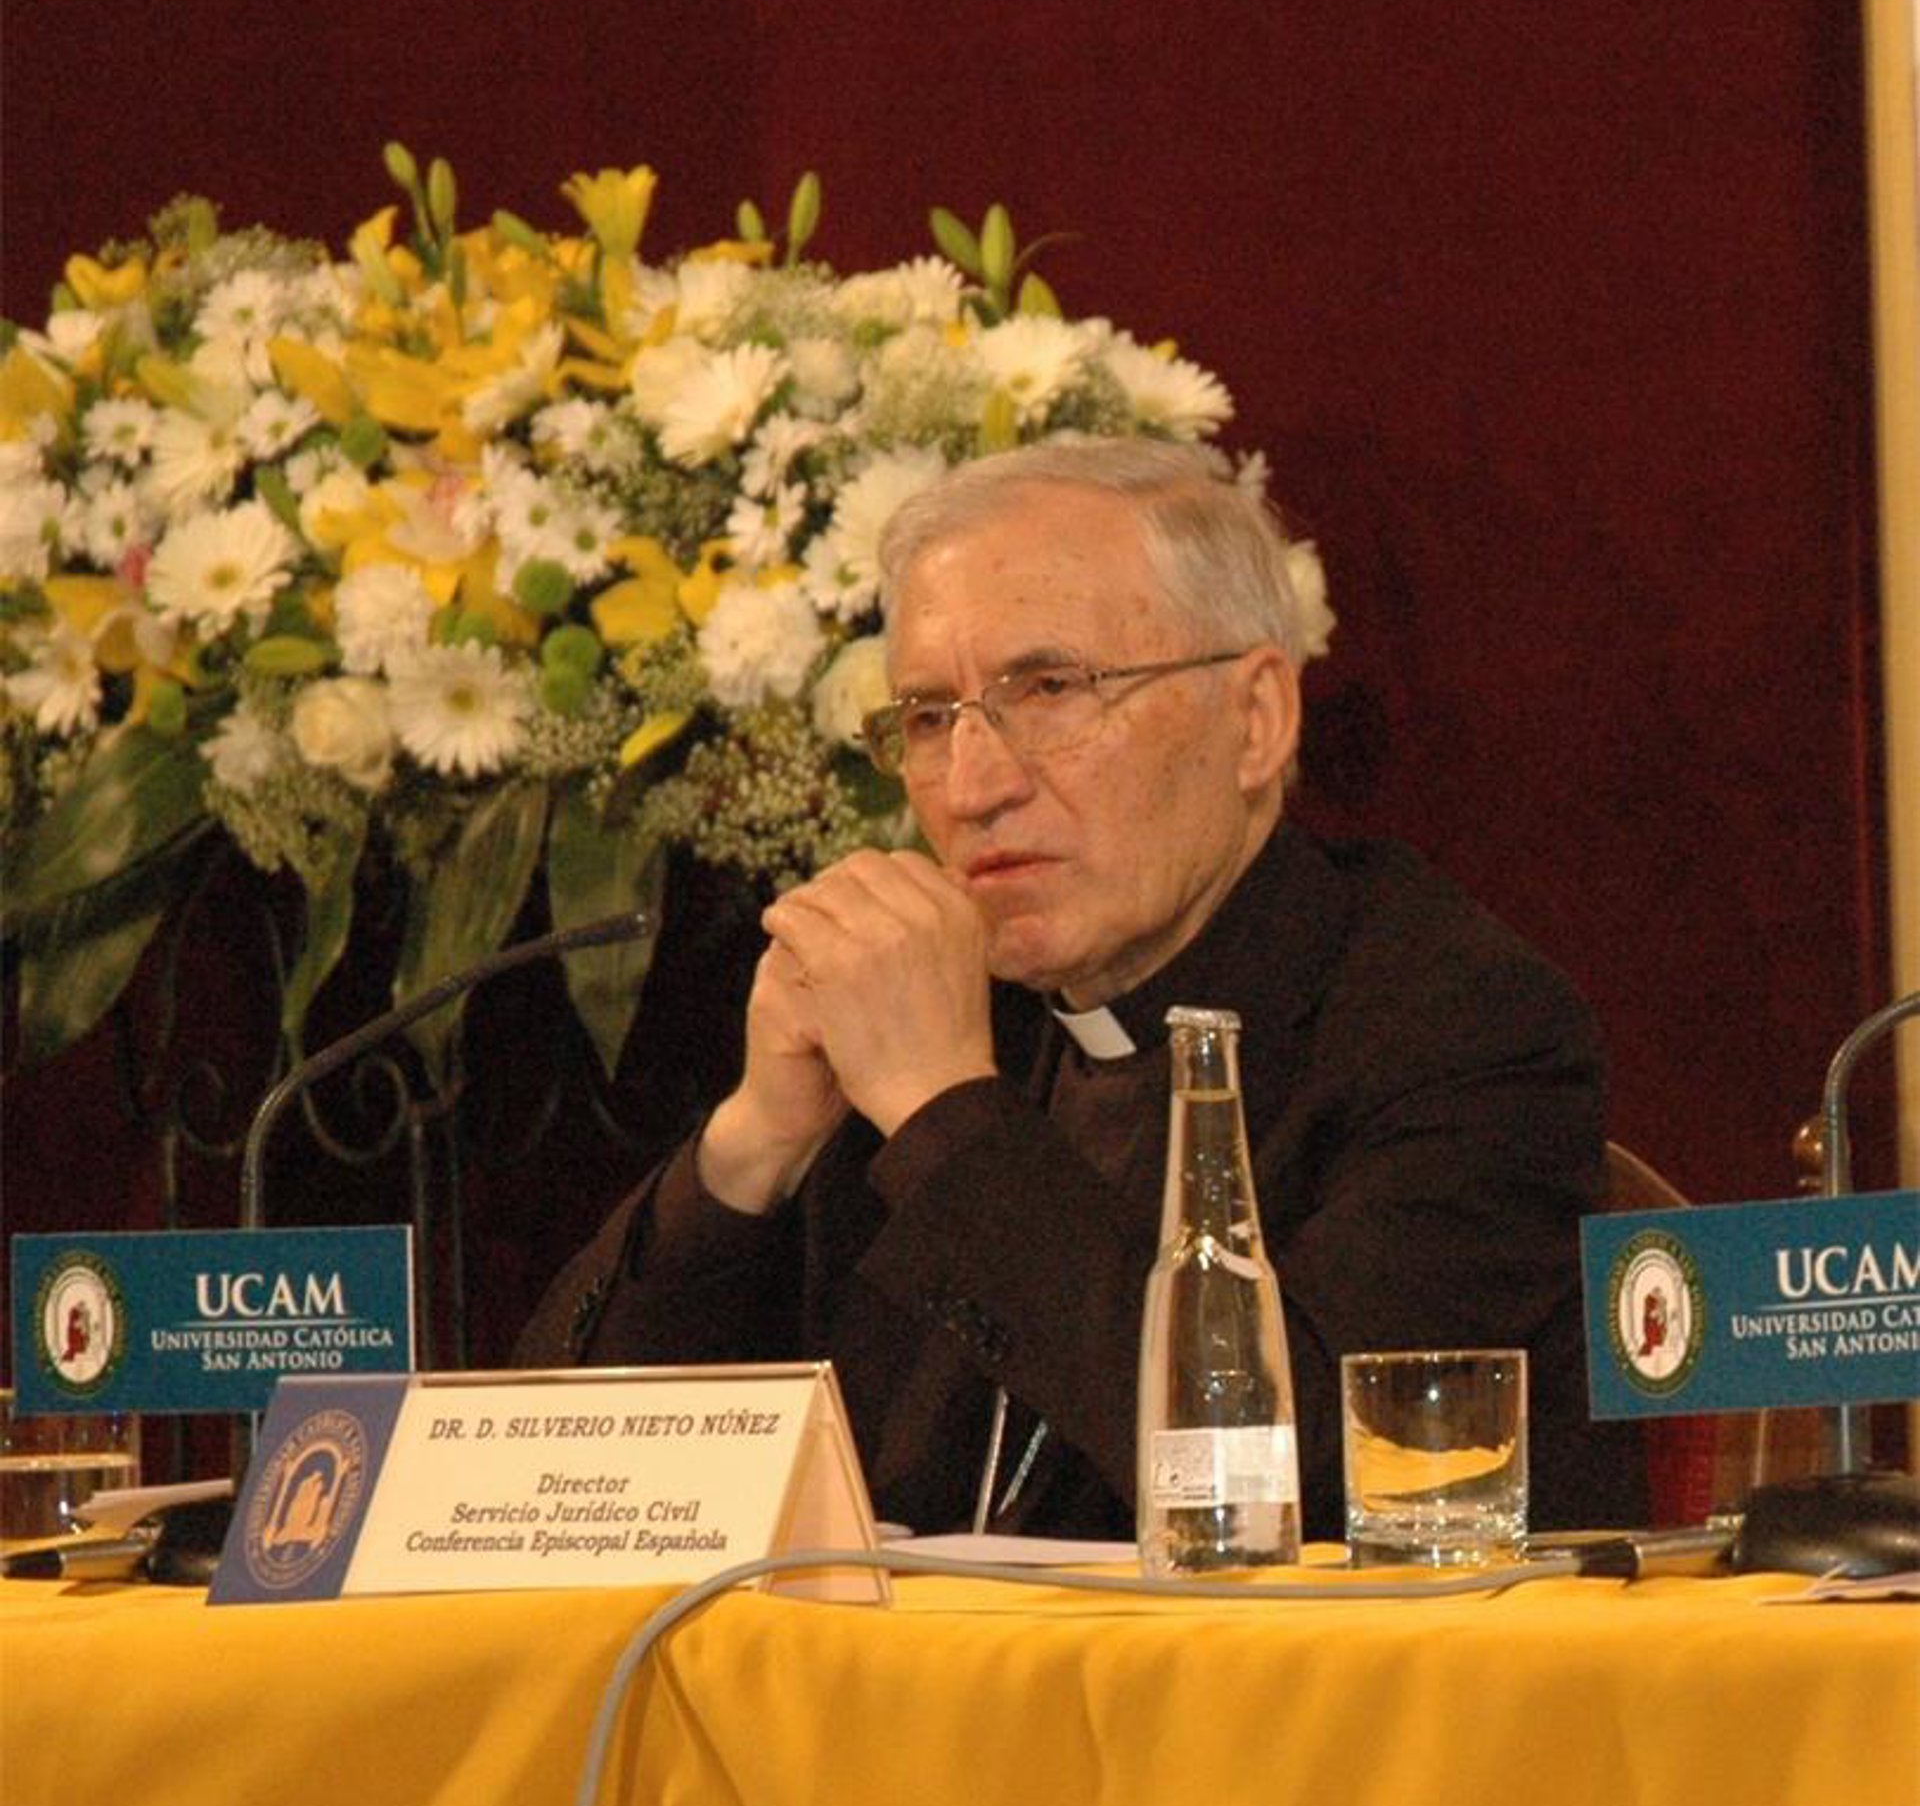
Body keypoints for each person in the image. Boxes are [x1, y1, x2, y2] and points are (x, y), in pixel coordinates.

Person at [519, 435, 1645, 1541]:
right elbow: (567, 1496)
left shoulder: (1461, 1027)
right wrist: (753, 1146)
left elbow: (1293, 1480)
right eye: (928, 718)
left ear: (1256, 720)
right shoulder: (922, 1016)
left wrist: (944, 1112)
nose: (973, 787)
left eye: (1051, 688)